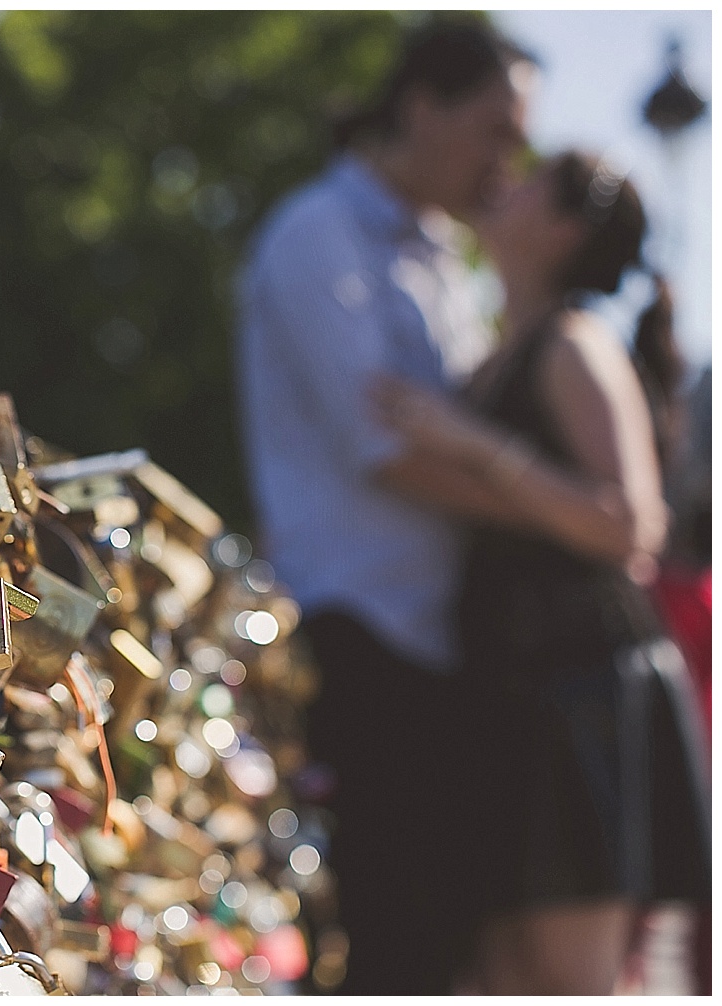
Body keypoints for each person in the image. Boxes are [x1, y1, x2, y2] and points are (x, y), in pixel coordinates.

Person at [235, 20, 534, 994]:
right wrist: (562, 512)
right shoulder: (317, 232)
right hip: (361, 635)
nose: (510, 159)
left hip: (447, 641)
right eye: (496, 129)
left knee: (450, 945)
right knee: (391, 945)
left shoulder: (449, 256)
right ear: (421, 109)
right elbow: (388, 450)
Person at [372, 151, 710, 994]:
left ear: (561, 230)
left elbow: (632, 523)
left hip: (582, 696)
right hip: (515, 695)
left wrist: (475, 445)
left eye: (530, 180)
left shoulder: (573, 342)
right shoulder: (507, 348)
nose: (503, 180)